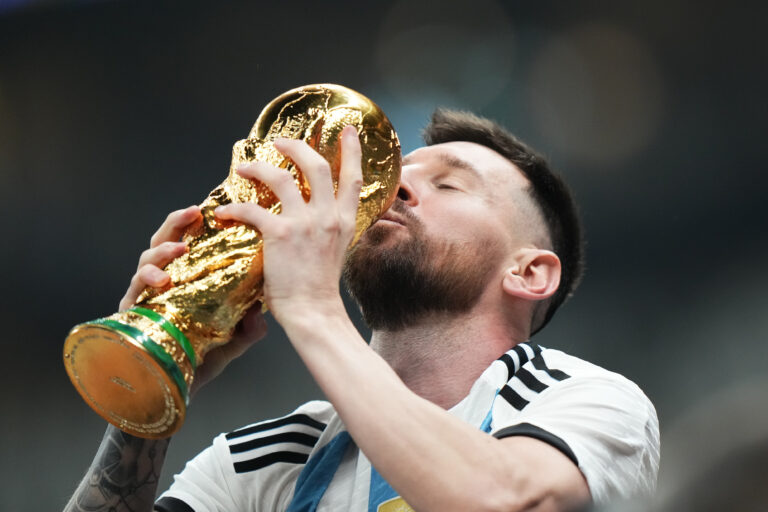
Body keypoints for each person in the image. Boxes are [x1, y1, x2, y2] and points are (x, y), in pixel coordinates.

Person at [65, 110, 659, 512]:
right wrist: (157, 372)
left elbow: (500, 500)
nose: (390, 191)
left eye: (448, 185)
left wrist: (312, 305)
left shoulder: (587, 401)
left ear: (530, 272)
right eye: (391, 178)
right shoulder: (267, 461)